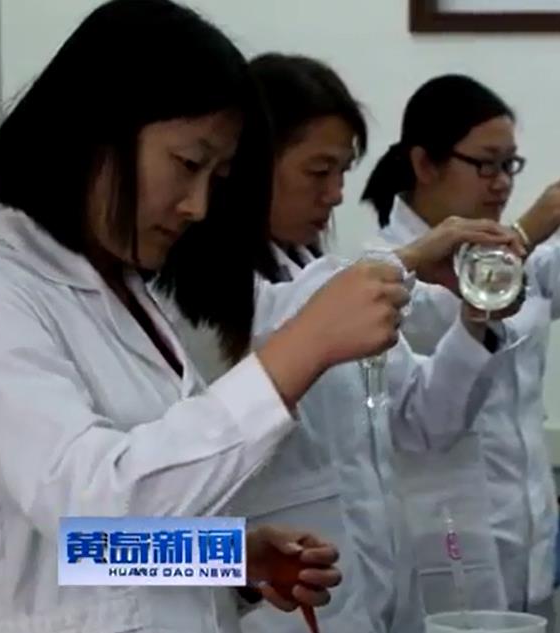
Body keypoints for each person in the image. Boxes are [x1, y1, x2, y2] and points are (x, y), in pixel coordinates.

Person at [0, 2, 408, 631]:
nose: (198, 205)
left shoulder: (129, 300)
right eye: (187, 164)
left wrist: (227, 560)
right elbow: (94, 505)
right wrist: (301, 349)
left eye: (217, 176)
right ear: (95, 131)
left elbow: (88, 551)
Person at [182, 54, 520, 633]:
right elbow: (280, 330)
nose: (337, 194)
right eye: (319, 171)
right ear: (251, 165)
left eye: (343, 171)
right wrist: (404, 260)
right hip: (278, 611)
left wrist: (475, 321)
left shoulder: (319, 275)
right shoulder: (207, 293)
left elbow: (424, 421)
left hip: (371, 592)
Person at [362, 74, 560, 622]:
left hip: (527, 530)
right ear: (425, 164)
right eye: (486, 164)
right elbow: (435, 314)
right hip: (444, 534)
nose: (502, 182)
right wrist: (525, 233)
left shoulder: (525, 262)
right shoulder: (382, 264)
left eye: (510, 165)